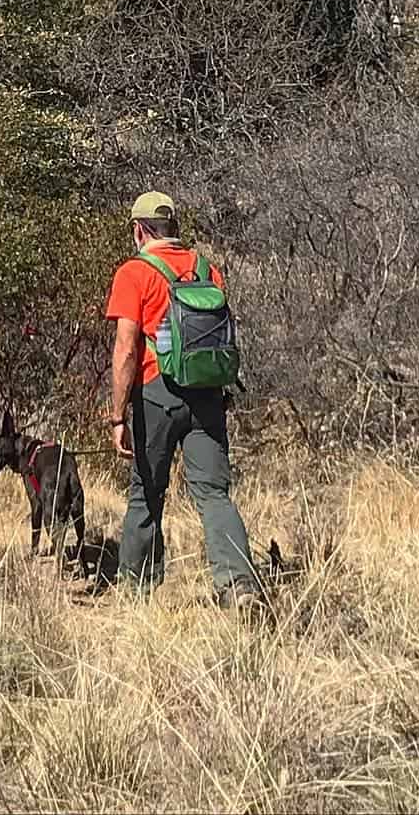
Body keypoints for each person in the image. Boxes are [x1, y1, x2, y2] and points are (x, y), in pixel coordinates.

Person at [105, 191, 260, 607]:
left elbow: (126, 349)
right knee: (213, 493)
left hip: (156, 394)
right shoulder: (207, 269)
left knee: (147, 494)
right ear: (173, 228)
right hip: (208, 396)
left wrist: (117, 416)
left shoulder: (133, 273)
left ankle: (135, 595)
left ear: (139, 229)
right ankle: (238, 585)